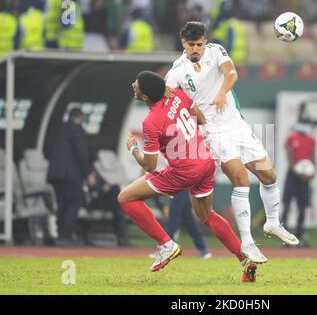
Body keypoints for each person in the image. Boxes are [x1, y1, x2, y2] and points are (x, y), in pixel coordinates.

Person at [165, 21, 299, 264]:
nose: (195, 49)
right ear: (183, 43)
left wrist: (221, 92)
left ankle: (273, 223)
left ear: (205, 41)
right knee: (241, 178)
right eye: (190, 45)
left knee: (269, 176)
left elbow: (231, 73)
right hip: (211, 132)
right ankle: (247, 242)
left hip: (236, 124)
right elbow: (172, 105)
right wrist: (192, 114)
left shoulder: (216, 51)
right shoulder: (175, 72)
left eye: (199, 44)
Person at [118, 70, 257, 282]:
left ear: (145, 96)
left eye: (136, 84)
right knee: (206, 214)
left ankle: (166, 244)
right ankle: (244, 260)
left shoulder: (151, 122)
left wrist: (132, 149)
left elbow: (150, 165)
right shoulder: (176, 94)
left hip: (184, 171)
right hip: (205, 162)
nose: (133, 84)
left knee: (125, 197)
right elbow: (200, 118)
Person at [46, 107, 93, 246]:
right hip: (71, 175)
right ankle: (66, 236)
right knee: (74, 202)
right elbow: (81, 153)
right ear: (80, 117)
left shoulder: (57, 129)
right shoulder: (77, 129)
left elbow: (47, 149)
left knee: (61, 204)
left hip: (55, 174)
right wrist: (87, 173)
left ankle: (60, 234)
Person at [281, 123, 316, 245]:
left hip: (305, 178)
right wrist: (296, 172)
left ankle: (300, 237)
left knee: (303, 207)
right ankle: (284, 238)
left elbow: (312, 157)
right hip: (293, 175)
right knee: (287, 205)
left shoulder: (311, 140)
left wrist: (311, 173)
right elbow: (289, 155)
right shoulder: (292, 138)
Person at [86, 169, 130, 247]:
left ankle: (122, 238)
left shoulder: (109, 173)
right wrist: (102, 187)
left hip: (108, 201)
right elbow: (91, 185)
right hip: (96, 199)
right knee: (118, 208)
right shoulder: (93, 170)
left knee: (118, 212)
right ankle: (122, 238)